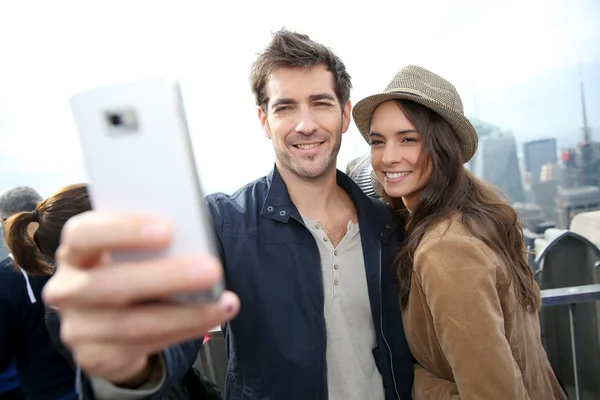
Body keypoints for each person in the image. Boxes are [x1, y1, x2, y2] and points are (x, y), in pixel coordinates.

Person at [43, 29, 414, 400]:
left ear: (345, 114)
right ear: (264, 121)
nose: (305, 124)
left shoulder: (385, 223)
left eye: (320, 103)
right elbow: (173, 334)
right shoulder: (223, 223)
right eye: (285, 107)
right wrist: (129, 364)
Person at [352, 65, 568, 399]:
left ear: (443, 147)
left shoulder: (446, 249)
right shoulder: (476, 220)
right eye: (378, 141)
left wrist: (411, 380)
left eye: (408, 139)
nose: (388, 157)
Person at [0, 186, 77, 400]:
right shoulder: (78, 258)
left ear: (4, 223)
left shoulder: (6, 278)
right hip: (106, 383)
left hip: (49, 390)